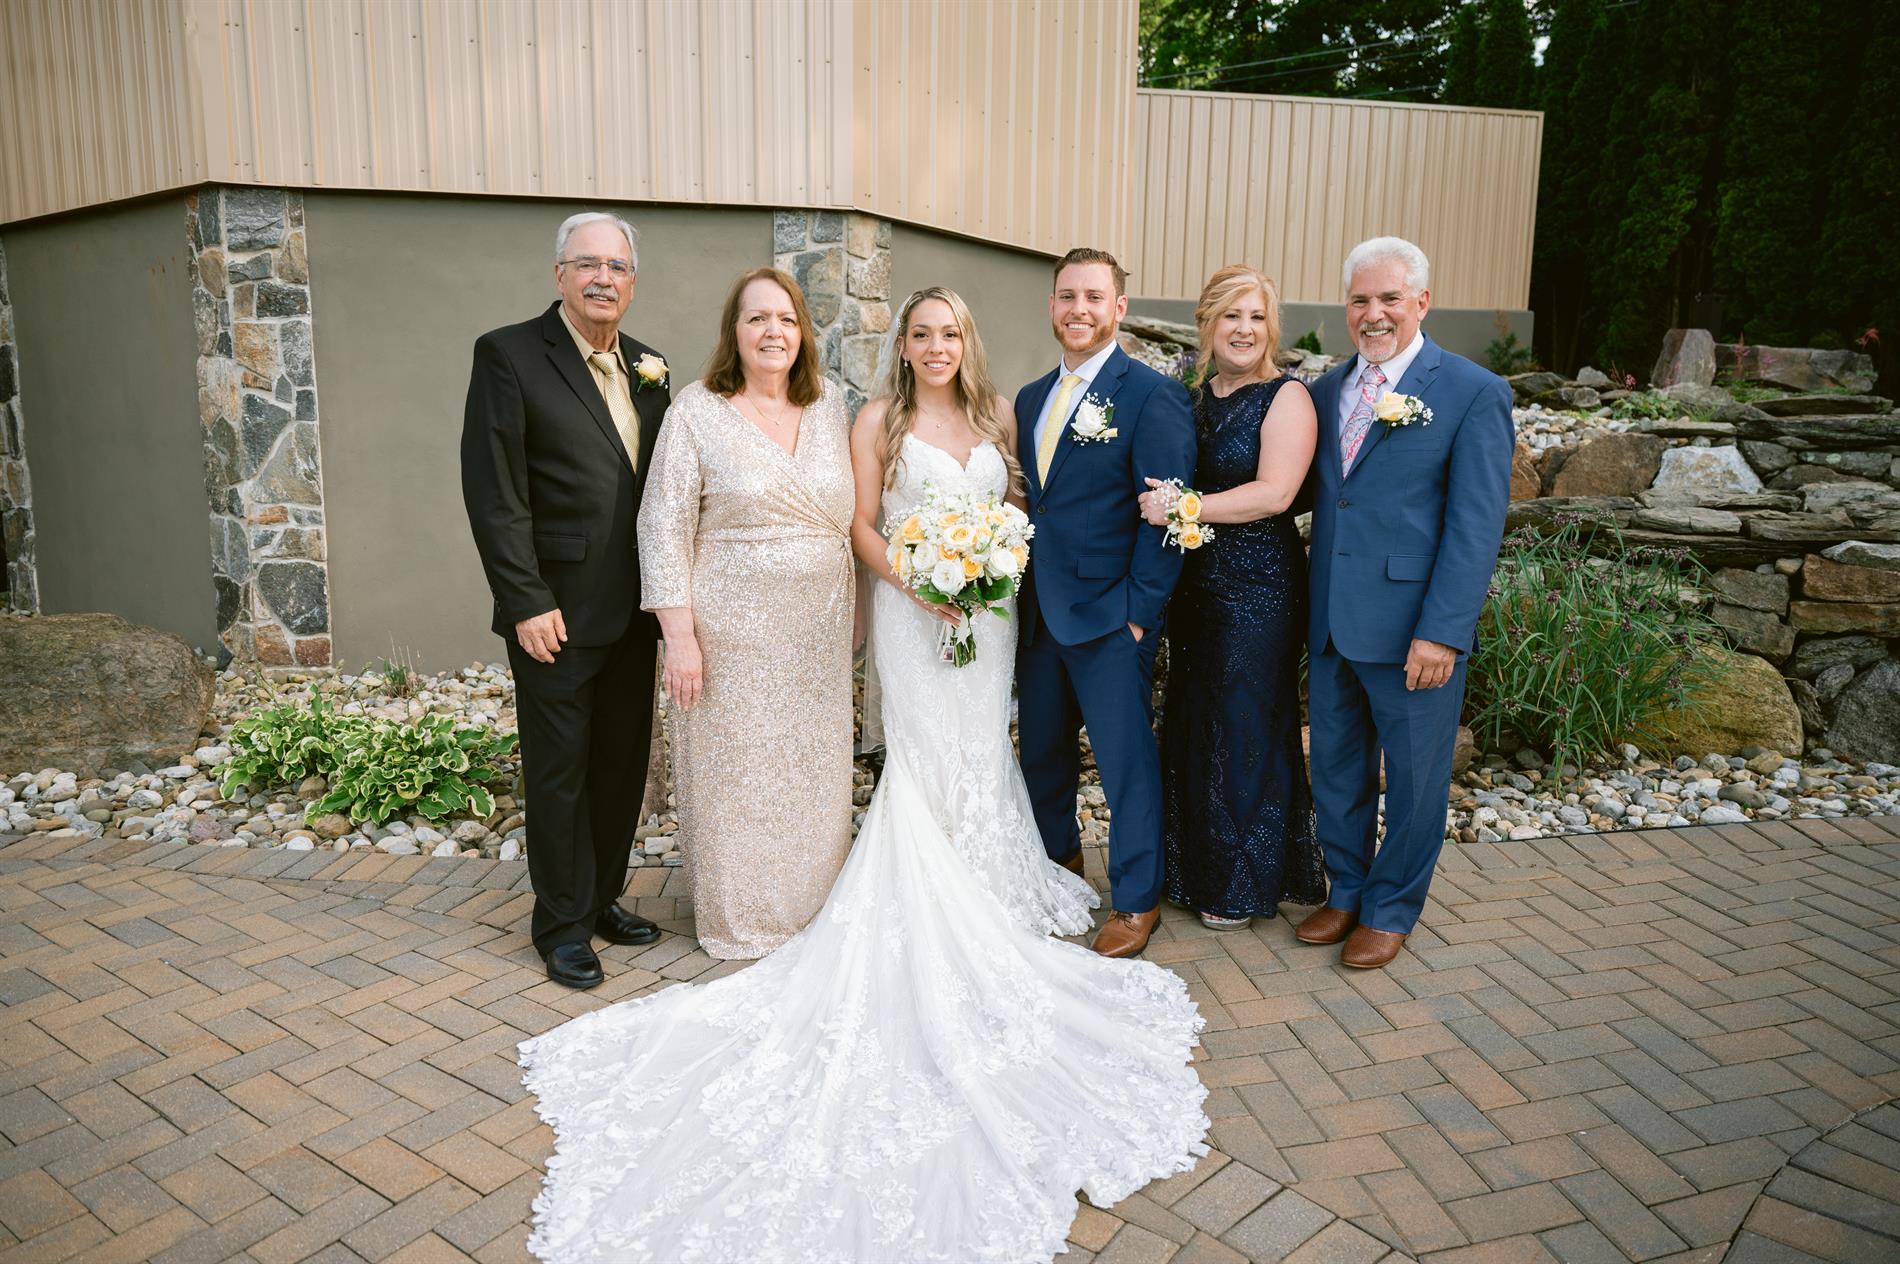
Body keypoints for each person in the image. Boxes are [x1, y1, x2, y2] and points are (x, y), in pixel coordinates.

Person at [518, 286, 1208, 1264]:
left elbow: (1019, 507)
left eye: (949, 332)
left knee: (982, 748)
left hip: (986, 615)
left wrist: (990, 565)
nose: (935, 345)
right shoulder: (873, 417)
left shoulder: (1000, 412)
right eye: (920, 333)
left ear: (966, 340)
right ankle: (899, 892)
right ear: (903, 344)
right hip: (912, 611)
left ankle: (987, 878)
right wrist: (919, 580)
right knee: (921, 753)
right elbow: (860, 523)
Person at [460, 212, 667, 990]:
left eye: (617, 266)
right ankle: (561, 926)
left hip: (635, 612)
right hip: (554, 612)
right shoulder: (509, 354)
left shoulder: (650, 366)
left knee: (620, 767)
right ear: (560, 275)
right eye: (587, 264)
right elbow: (495, 490)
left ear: (632, 281)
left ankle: (601, 898)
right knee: (559, 773)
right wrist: (524, 598)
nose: (602, 278)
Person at [1296, 236, 1513, 969]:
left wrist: (1444, 631)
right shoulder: (1324, 391)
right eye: (1360, 299)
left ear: (1422, 301)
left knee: (1417, 781)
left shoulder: (1473, 391)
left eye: (1390, 298)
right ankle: (1347, 891)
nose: (1374, 313)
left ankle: (1391, 909)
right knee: (1336, 769)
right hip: (1333, 621)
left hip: (1414, 629)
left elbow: (1475, 526)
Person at [634, 267, 855, 960]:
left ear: (803, 333)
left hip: (816, 633)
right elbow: (661, 524)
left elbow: (851, 517)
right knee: (737, 774)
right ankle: (742, 916)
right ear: (735, 330)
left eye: (786, 319)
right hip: (728, 632)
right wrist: (679, 636)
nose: (773, 332)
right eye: (757, 318)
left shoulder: (830, 405)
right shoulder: (697, 410)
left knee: (808, 774)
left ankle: (810, 911)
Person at [1015, 248, 1196, 958]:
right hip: (1039, 613)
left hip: (1111, 616)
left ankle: (1137, 899)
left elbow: (1170, 515)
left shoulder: (1151, 395)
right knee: (1042, 755)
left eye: (1094, 297)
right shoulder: (1030, 398)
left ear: (1119, 308)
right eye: (1067, 296)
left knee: (1125, 766)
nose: (1078, 309)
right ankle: (1059, 868)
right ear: (1052, 305)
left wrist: (1139, 615)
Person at [1139, 264, 1326, 931]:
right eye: (1231, 316)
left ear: (1271, 328)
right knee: (1193, 719)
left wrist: (1183, 506)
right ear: (1207, 324)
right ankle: (1190, 869)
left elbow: (1275, 493)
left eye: (1256, 317)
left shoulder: (1287, 398)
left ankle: (1242, 882)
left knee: (1244, 724)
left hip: (1259, 588)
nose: (1244, 329)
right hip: (1194, 588)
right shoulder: (1191, 400)